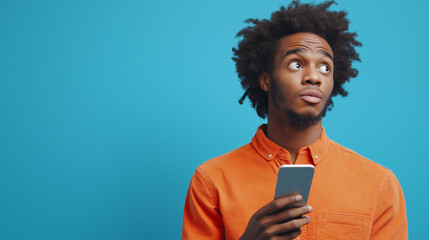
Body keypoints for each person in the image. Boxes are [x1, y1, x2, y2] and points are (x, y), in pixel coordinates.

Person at [181, 1, 408, 239]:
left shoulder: (379, 184)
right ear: (266, 80)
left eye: (325, 68)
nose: (313, 77)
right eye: (297, 64)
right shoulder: (211, 181)